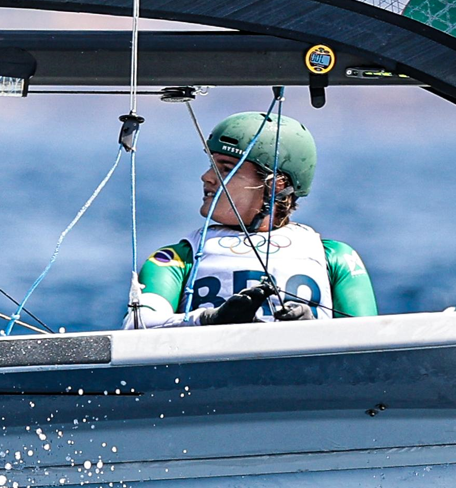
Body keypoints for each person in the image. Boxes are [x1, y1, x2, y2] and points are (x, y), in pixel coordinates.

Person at [125, 112, 376, 328]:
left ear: (275, 185)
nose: (207, 177)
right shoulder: (176, 258)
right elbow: (136, 326)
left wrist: (314, 332)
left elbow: (373, 343)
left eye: (226, 168)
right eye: (212, 165)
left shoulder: (336, 257)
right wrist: (209, 320)